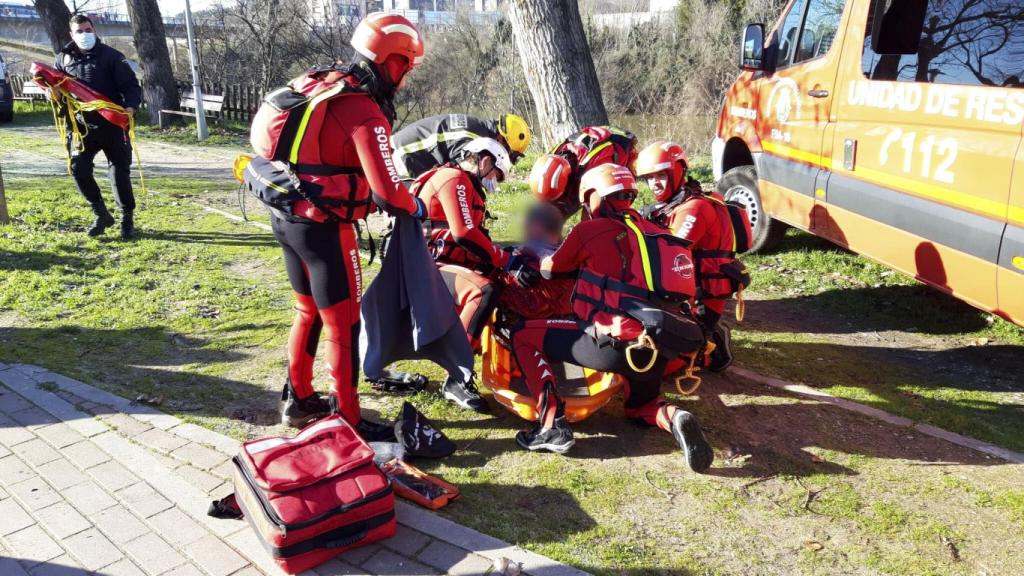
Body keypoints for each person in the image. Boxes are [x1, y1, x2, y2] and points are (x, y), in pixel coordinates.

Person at [251, 13, 427, 434]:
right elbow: (388, 192)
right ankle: (346, 417)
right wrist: (415, 206)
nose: (405, 77)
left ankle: (297, 399)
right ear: (392, 60)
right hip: (325, 228)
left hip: (286, 216)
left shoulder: (321, 81)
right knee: (344, 322)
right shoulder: (363, 110)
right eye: (406, 65)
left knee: (307, 310)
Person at [510, 164, 714, 472]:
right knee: (640, 406)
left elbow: (551, 269)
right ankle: (674, 417)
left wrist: (530, 257)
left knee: (522, 335)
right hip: (659, 342)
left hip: (612, 343)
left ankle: (551, 424)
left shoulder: (590, 230)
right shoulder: (657, 230)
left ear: (593, 196)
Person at [408, 137, 514, 412]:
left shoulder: (463, 183)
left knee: (498, 280)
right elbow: (463, 233)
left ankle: (474, 349)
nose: (495, 183)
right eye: (496, 176)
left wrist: (500, 261)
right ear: (485, 161)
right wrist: (503, 258)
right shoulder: (454, 179)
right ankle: (457, 376)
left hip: (434, 262)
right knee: (483, 291)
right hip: (423, 265)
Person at [634, 140, 752, 372]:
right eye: (649, 178)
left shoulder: (695, 208)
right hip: (684, 287)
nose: (654, 183)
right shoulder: (673, 205)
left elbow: (670, 251)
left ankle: (713, 346)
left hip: (701, 297)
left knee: (663, 364)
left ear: (678, 172)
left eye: (661, 176)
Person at [56, 14, 143, 239]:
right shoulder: (63, 60)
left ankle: (127, 220)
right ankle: (101, 214)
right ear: (71, 34)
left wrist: (131, 108)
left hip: (112, 124)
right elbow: (57, 91)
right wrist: (53, 94)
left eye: (87, 30)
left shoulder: (112, 57)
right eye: (79, 32)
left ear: (94, 29)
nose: (84, 35)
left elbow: (132, 87)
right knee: (78, 169)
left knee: (119, 172)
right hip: (81, 127)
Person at [528, 125, 638, 218]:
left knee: (601, 211)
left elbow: (590, 209)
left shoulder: (592, 169)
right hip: (591, 145)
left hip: (621, 149)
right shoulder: (553, 156)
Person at [496, 202, 574, 321]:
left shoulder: (524, 252)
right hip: (564, 318)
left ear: (536, 227)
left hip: (528, 317)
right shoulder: (569, 255)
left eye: (526, 225)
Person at [391, 113, 531, 179]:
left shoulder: (477, 128)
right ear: (501, 138)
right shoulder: (475, 142)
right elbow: (461, 178)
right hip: (405, 156)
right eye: (508, 152)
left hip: (406, 150)